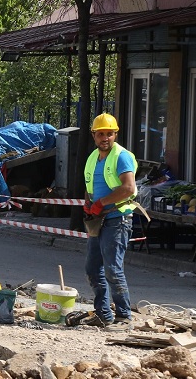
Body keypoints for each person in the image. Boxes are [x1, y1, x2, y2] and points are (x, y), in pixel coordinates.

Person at [81, 112, 137, 330]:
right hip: (99, 218)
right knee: (93, 268)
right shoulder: (93, 157)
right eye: (101, 134)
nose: (105, 138)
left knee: (112, 268)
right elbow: (89, 184)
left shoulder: (121, 156)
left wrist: (101, 202)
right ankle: (103, 314)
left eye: (109, 134)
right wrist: (88, 203)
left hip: (118, 218)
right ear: (94, 135)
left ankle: (124, 317)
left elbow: (128, 188)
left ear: (115, 134)